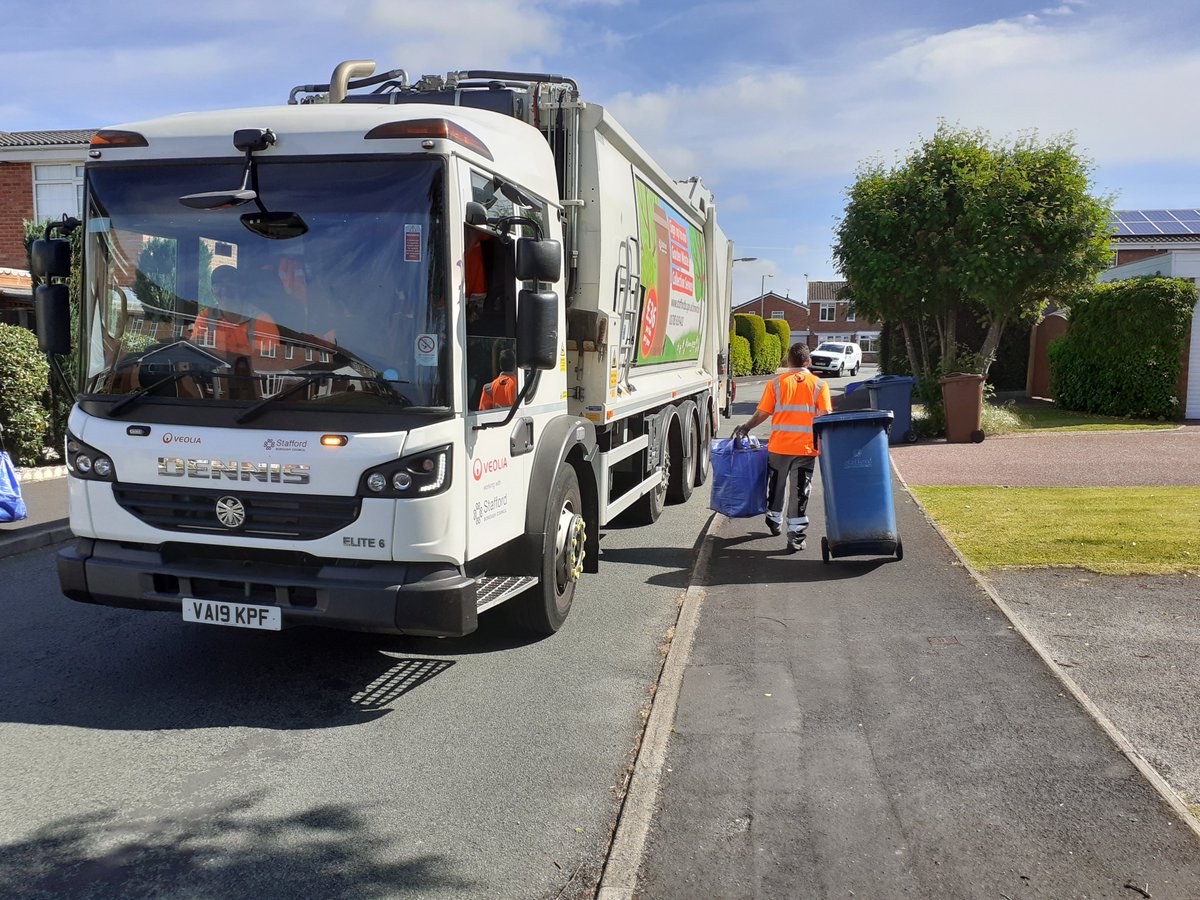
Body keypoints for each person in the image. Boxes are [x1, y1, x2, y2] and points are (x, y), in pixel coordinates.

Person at [734, 342, 832, 552]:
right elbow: (825, 418)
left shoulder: (776, 384)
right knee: (800, 491)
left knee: (776, 486)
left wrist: (746, 427)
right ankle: (795, 537)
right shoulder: (819, 385)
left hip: (779, 447)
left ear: (788, 361)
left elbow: (762, 413)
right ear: (809, 362)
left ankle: (773, 519)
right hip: (806, 449)